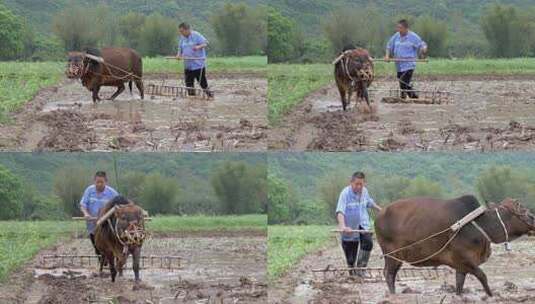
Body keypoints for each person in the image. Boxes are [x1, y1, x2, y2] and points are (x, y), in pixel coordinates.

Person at [336, 171, 382, 276]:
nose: (359, 186)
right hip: (350, 228)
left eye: (361, 184)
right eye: (357, 184)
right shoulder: (345, 193)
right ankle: (352, 271)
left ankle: (361, 270)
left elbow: (369, 202)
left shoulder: (364, 191)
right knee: (351, 258)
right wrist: (343, 226)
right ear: (351, 183)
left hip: (363, 225)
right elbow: (340, 211)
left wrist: (380, 209)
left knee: (368, 243)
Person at [80, 171, 119, 260]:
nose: (99, 184)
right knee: (97, 248)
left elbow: (119, 205)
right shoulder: (89, 190)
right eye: (97, 182)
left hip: (107, 226)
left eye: (102, 182)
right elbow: (83, 205)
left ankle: (109, 260)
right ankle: (102, 260)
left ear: (106, 181)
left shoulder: (112, 193)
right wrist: (86, 214)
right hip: (92, 225)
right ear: (94, 181)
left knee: (108, 246)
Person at [385, 19, 428, 99]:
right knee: (402, 83)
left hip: (409, 64)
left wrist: (424, 49)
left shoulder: (413, 37)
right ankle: (407, 98)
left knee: (403, 81)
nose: (398, 30)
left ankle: (412, 97)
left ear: (406, 28)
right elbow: (389, 46)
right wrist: (387, 56)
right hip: (398, 64)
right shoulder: (396, 35)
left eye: (400, 28)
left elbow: (422, 45)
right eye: (398, 28)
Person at [176, 22, 213, 97]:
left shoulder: (196, 35)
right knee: (189, 84)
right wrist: (179, 55)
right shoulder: (182, 38)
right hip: (188, 65)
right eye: (180, 31)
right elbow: (180, 48)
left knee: (203, 83)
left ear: (187, 30)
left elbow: (206, 43)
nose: (181, 33)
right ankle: (192, 99)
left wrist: (198, 47)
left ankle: (210, 96)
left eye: (182, 31)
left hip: (198, 65)